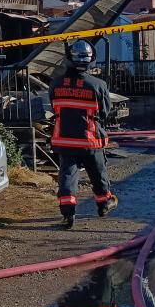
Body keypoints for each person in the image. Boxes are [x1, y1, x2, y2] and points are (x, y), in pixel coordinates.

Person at [50, 40, 117, 229]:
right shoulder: (98, 85)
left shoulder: (56, 84)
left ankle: (68, 215)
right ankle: (104, 204)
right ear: (91, 59)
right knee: (98, 174)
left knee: (67, 177)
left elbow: (55, 107)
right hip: (90, 141)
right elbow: (103, 113)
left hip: (65, 141)